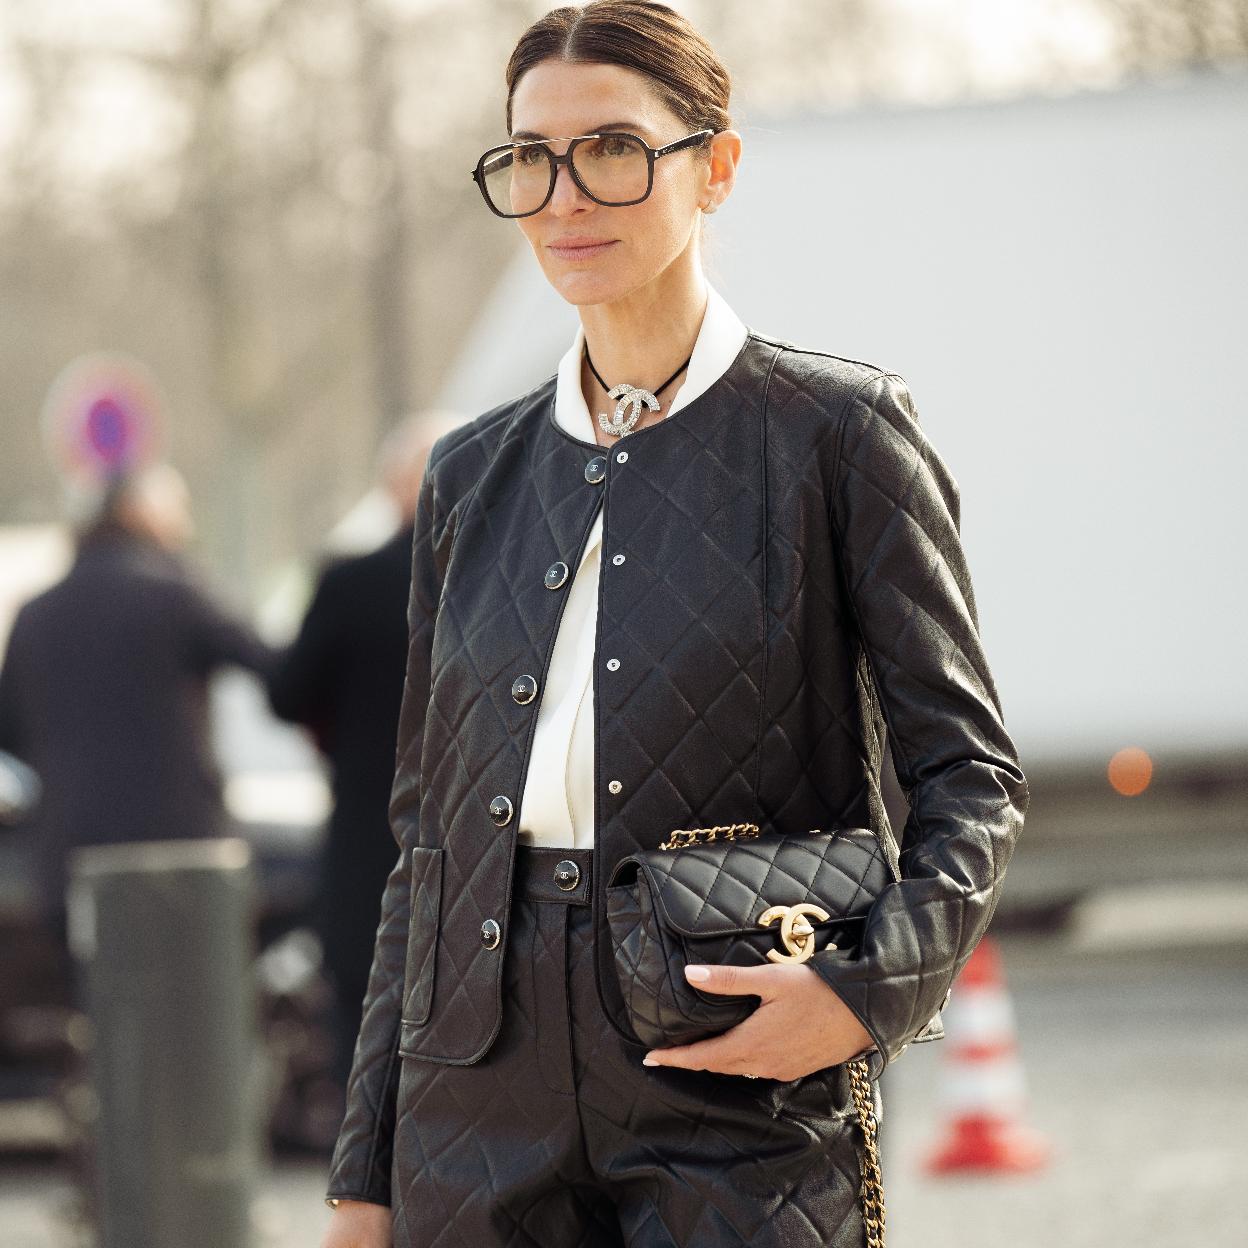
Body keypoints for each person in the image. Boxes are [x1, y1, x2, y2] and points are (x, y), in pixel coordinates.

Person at [322, 4, 1029, 1246]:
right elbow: (424, 845)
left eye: (612, 148)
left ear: (716, 165)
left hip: (732, 1066)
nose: (564, 195)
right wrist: (363, 1175)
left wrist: (863, 996)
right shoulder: (469, 476)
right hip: (475, 1088)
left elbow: (971, 778)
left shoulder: (839, 437)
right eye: (528, 158)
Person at [0, 462, 278, 956]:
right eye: (177, 514)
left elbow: (9, 729)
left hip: (71, 857)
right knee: (187, 1013)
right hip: (180, 858)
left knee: (105, 1008)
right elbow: (273, 667)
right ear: (139, 513)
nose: (185, 530)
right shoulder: (176, 594)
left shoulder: (35, 613)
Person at [267, 412, 463, 1101]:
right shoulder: (511, 577)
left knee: (366, 1035)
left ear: (391, 490)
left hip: (370, 839)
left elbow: (287, 695)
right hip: (482, 846)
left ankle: (366, 1191)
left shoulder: (349, 584)